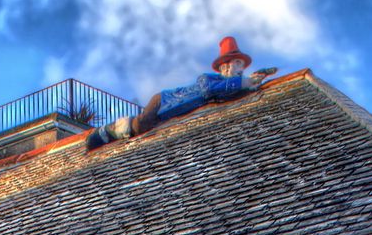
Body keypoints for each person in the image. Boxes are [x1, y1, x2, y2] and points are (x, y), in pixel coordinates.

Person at [86, 36, 276, 150]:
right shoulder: (208, 79)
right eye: (232, 64)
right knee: (140, 125)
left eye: (238, 64)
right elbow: (210, 91)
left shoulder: (233, 86)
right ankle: (108, 131)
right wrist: (243, 82)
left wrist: (251, 84)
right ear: (223, 67)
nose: (235, 68)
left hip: (172, 114)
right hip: (164, 101)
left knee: (150, 127)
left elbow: (231, 95)